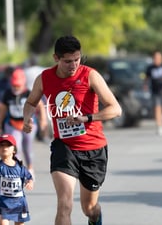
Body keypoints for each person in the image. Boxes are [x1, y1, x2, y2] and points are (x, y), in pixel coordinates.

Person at [22, 35, 122, 225]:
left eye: (77, 59)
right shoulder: (44, 78)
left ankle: (96, 218)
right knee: (65, 205)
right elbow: (30, 102)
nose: (74, 65)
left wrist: (87, 118)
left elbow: (115, 109)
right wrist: (27, 118)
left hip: (93, 149)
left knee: (89, 209)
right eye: (68, 61)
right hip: (64, 147)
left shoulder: (90, 75)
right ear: (56, 58)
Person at [0, 68, 47, 175]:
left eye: (18, 86)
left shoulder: (29, 93)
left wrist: (43, 120)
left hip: (27, 124)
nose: (16, 88)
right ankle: (18, 168)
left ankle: (30, 167)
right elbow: (3, 110)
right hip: (13, 124)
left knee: (27, 148)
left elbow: (41, 106)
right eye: (14, 85)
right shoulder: (7, 94)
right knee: (16, 147)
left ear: (23, 84)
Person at [0, 134, 34, 225]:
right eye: (1, 145)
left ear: (14, 150)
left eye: (8, 145)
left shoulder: (20, 167)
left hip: (19, 203)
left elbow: (29, 178)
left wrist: (30, 183)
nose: (5, 147)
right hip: (4, 204)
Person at [144, 51, 162, 136]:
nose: (156, 60)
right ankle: (159, 126)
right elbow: (146, 78)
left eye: (158, 58)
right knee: (157, 108)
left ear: (161, 58)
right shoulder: (150, 68)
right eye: (155, 58)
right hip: (155, 91)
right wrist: (145, 85)